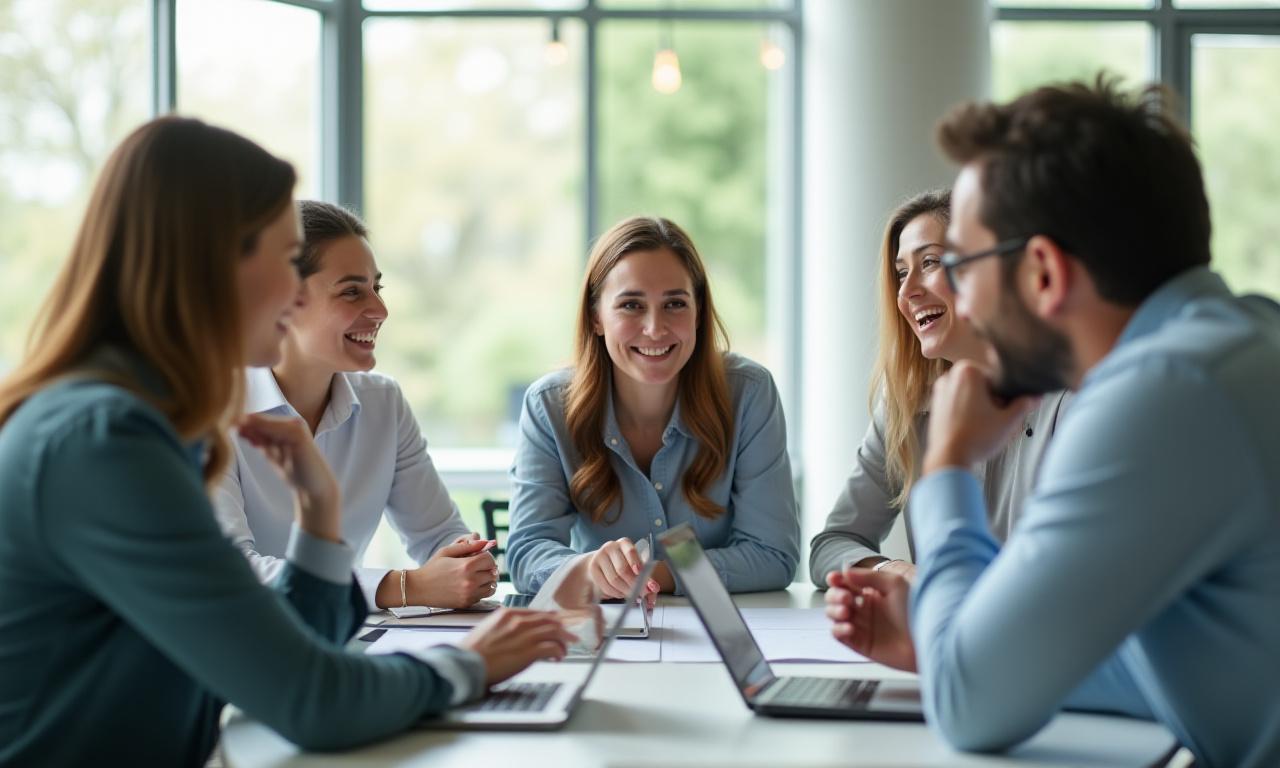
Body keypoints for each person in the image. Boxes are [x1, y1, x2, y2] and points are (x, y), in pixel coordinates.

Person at [0, 117, 574, 766]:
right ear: (212, 263)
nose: (291, 288)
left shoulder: (144, 419)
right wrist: (468, 663)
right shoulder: (104, 440)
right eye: (282, 257)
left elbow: (298, 641)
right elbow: (312, 697)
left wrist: (318, 508)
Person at [826, 78, 1280, 767]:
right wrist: (954, 640)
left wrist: (947, 465)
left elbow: (971, 708)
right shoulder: (1240, 340)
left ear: (1042, 272)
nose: (960, 298)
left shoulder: (1158, 401)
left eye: (960, 265)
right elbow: (1164, 662)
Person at [213, 200, 498, 610]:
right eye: (352, 291)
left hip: (339, 643)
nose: (380, 310)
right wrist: (405, 586)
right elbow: (234, 573)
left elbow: (438, 533)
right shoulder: (210, 411)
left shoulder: (383, 404)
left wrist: (466, 560)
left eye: (376, 288)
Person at [506, 216, 800, 600]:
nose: (655, 328)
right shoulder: (549, 407)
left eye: (675, 304)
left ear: (698, 313)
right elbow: (527, 553)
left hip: (722, 632)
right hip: (604, 635)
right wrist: (589, 570)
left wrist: (657, 573)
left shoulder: (748, 393)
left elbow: (773, 554)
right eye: (631, 305)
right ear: (596, 317)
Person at [808, 190, 1070, 586]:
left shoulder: (1071, 399)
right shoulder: (908, 404)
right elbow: (832, 544)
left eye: (929, 262)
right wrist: (893, 571)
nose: (906, 291)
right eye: (900, 273)